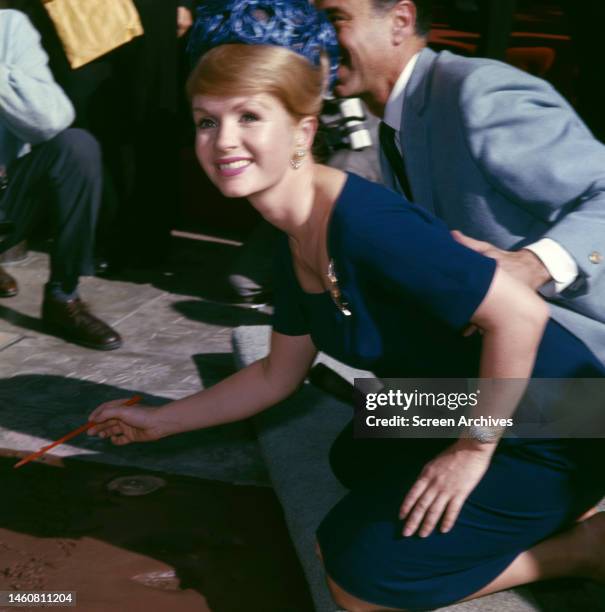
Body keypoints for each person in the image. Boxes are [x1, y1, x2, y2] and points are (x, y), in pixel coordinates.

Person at [86, 1, 605, 610]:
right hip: (474, 392)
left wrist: (471, 449)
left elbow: (520, 313)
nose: (223, 141)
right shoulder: (292, 233)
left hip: (565, 416)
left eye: (249, 116)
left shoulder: (362, 218)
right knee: (358, 450)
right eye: (206, 121)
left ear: (303, 131)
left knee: (356, 573)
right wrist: (159, 420)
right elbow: (276, 374)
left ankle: (581, 548)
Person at [315, 0, 605, 366]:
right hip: (501, 352)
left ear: (400, 22)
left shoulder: (476, 91)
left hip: (579, 357)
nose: (316, 38)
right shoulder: (399, 120)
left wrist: (532, 265)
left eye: (333, 18)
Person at [0, 8, 121, 350]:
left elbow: (53, 120)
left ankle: (62, 296)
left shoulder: (9, 26)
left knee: (76, 147)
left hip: (6, 199)